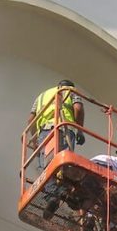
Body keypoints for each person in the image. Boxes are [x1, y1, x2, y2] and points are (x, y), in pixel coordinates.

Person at [28, 80, 85, 219]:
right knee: (63, 164)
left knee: (47, 166)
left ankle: (54, 196)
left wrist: (35, 140)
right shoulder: (71, 91)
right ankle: (63, 192)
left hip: (44, 133)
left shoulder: (41, 96)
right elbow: (78, 109)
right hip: (63, 129)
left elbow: (31, 120)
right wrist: (80, 130)